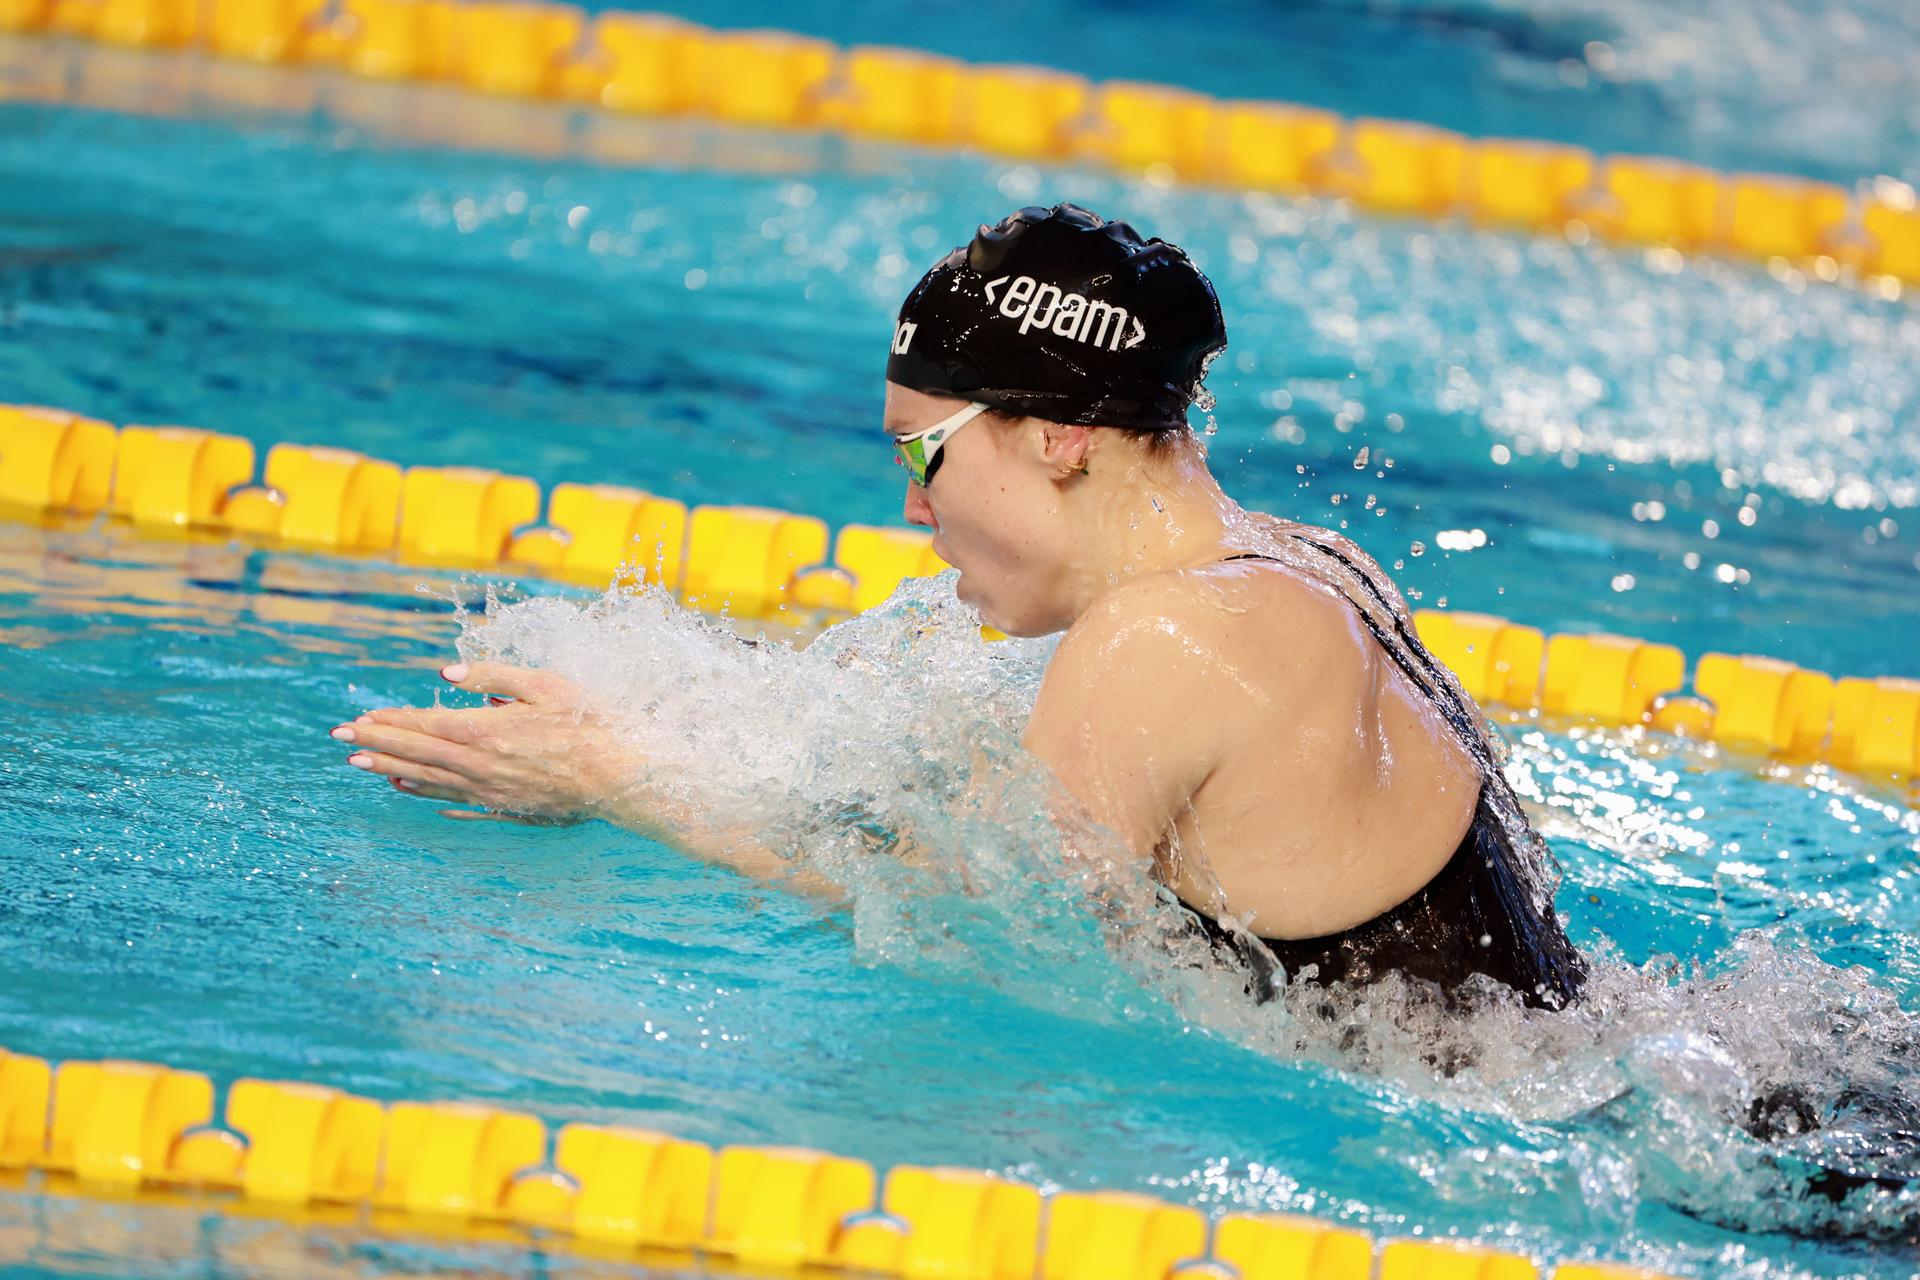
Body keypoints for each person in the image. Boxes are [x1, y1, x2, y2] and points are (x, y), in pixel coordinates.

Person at [332, 203, 1588, 1011]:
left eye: (918, 457)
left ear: (1054, 437)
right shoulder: (1308, 565)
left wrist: (613, 780)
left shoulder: (1166, 637)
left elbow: (979, 926)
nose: (914, 515)